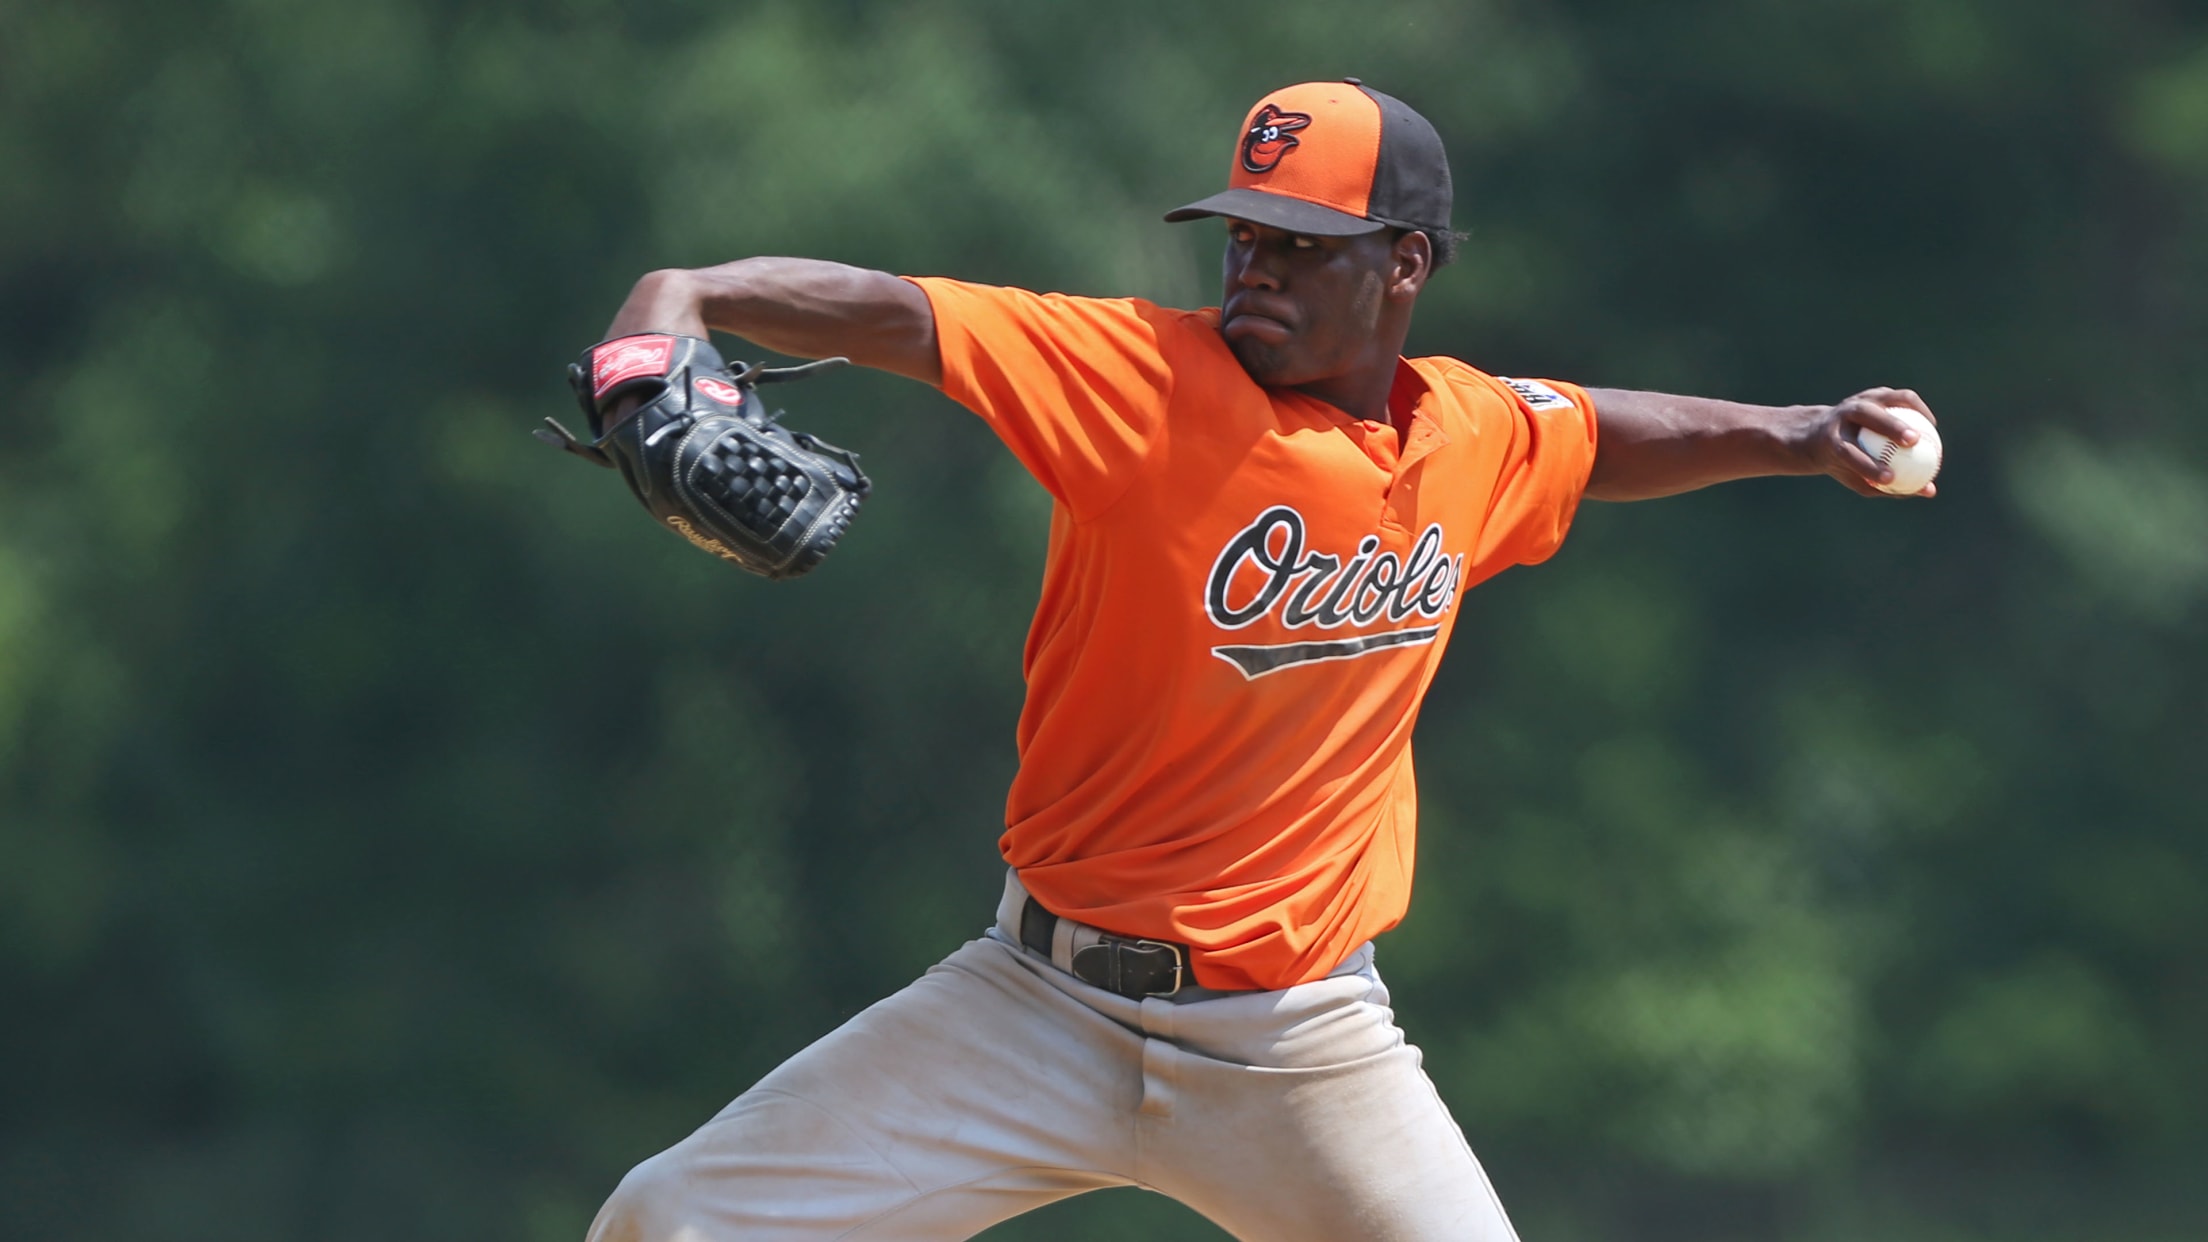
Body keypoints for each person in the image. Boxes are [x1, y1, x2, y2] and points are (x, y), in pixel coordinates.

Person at [581, 80, 1937, 1242]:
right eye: (1244, 235)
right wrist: (690, 294)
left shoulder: (1465, 436)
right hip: (1034, 1006)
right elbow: (902, 314)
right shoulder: (1142, 382)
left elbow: (1598, 434)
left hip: (1298, 1046)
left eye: (1299, 244)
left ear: (1404, 263)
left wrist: (1806, 430)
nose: (1255, 268)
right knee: (670, 1218)